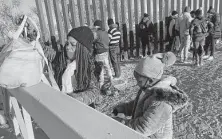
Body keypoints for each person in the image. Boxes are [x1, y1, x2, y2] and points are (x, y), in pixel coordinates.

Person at [112, 52, 188, 138]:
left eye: (139, 81)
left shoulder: (161, 102)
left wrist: (119, 123)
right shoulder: (148, 88)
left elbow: (143, 128)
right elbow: (140, 104)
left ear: (150, 80)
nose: (137, 84)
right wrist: (124, 108)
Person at [43, 26, 103, 106]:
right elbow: (42, 49)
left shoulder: (88, 66)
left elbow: (94, 91)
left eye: (73, 45)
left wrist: (76, 98)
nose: (68, 47)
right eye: (67, 43)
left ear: (82, 49)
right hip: (62, 107)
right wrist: (31, 35)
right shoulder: (60, 59)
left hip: (81, 110)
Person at [92, 20, 113, 95]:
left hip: (99, 53)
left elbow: (92, 41)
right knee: (107, 67)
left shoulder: (96, 33)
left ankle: (101, 85)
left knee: (100, 70)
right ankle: (111, 80)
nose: (93, 27)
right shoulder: (105, 32)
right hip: (106, 52)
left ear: (97, 26)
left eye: (94, 25)